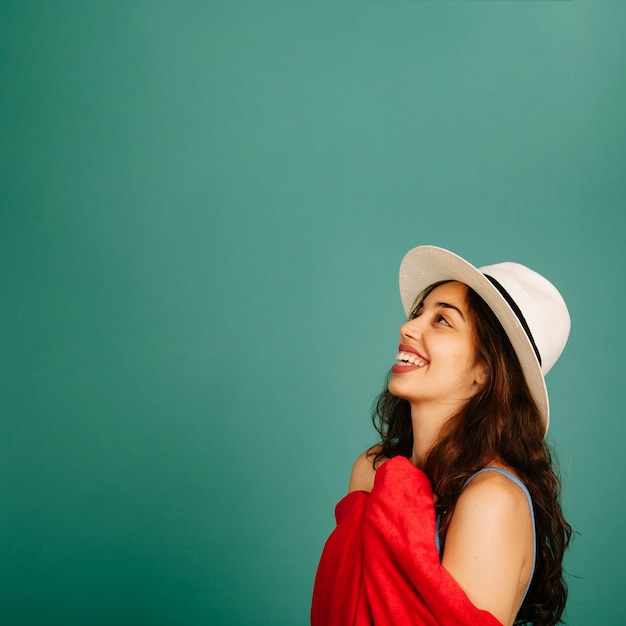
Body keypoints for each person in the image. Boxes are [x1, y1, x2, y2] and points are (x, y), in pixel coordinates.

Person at [311, 245, 572, 626]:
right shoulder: (371, 470)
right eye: (419, 313)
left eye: (442, 321)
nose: (408, 327)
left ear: (484, 370)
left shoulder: (490, 500)